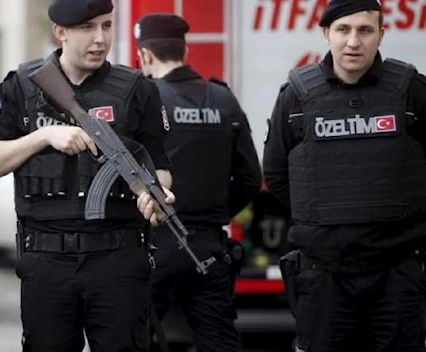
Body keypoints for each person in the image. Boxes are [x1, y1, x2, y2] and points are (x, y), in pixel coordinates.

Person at [0, 0, 173, 350]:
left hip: (118, 260)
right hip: (46, 261)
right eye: (87, 28)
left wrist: (155, 193)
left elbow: (162, 169)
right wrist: (42, 137)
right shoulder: (22, 86)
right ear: (60, 32)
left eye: (107, 26)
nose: (100, 39)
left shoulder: (137, 90)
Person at [263, 0, 426, 351]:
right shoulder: (296, 96)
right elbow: (276, 173)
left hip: (396, 272)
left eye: (365, 30)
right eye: (343, 29)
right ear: (326, 34)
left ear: (382, 34)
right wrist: (319, 214)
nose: (354, 41)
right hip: (324, 274)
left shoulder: (412, 90)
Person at [133, 13, 262, 352]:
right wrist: (214, 213)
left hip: (153, 245)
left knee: (137, 339)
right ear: (184, 50)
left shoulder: (144, 99)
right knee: (218, 341)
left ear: (145, 54)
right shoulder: (223, 99)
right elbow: (250, 177)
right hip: (208, 247)